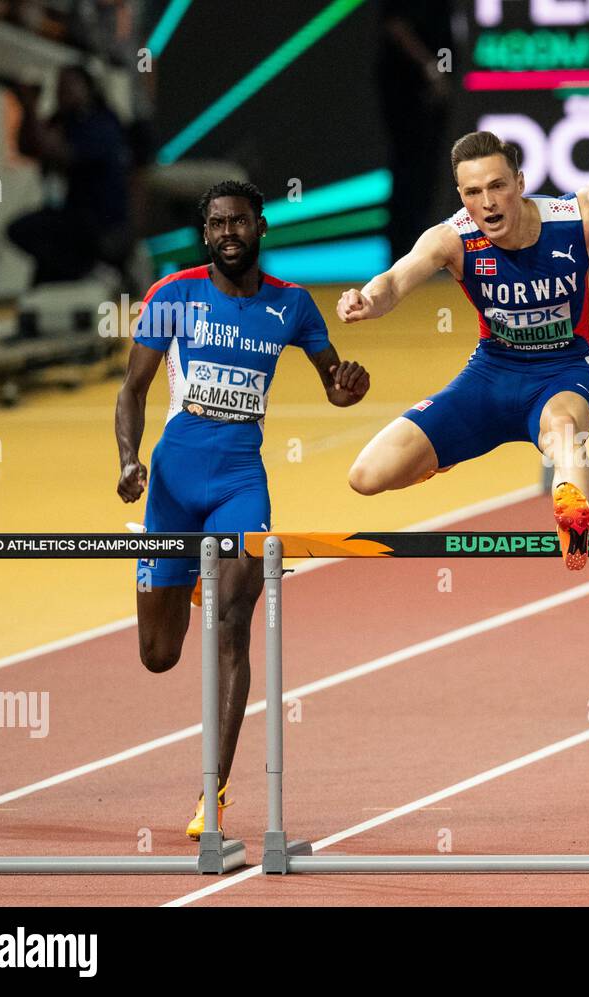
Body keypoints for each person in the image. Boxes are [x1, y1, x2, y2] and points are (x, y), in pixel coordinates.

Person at [115, 180, 370, 838]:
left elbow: (334, 386)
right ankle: (190, 584)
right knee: (157, 654)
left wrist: (348, 389)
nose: (229, 232)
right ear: (206, 234)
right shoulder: (173, 296)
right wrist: (128, 461)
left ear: (260, 227)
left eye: (240, 221)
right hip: (172, 482)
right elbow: (133, 389)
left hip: (239, 482)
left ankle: (215, 791)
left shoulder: (292, 307)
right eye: (217, 223)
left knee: (233, 624)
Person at [338, 130, 589, 569]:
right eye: (474, 192)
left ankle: (574, 525)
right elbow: (396, 280)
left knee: (563, 433)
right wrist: (368, 300)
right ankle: (442, 456)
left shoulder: (571, 219)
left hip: (563, 372)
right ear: (462, 196)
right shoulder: (452, 238)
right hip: (489, 377)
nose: (488, 202)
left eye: (497, 186)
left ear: (520, 183)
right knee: (366, 476)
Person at [6, 65, 132, 285]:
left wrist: (29, 104)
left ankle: (93, 270)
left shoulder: (100, 122)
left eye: (68, 86)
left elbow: (56, 150)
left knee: (26, 231)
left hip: (101, 220)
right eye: (59, 87)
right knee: (44, 270)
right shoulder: (67, 120)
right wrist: (28, 108)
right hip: (75, 216)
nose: (61, 93)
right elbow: (28, 146)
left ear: (88, 88)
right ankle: (85, 272)